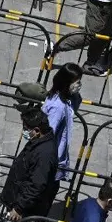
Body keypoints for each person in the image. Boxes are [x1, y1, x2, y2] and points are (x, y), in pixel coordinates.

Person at [42, 63, 82, 198]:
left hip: (55, 159)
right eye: (76, 82)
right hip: (50, 160)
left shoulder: (66, 99)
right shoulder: (58, 107)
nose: (79, 84)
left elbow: (75, 105)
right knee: (45, 194)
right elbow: (48, 135)